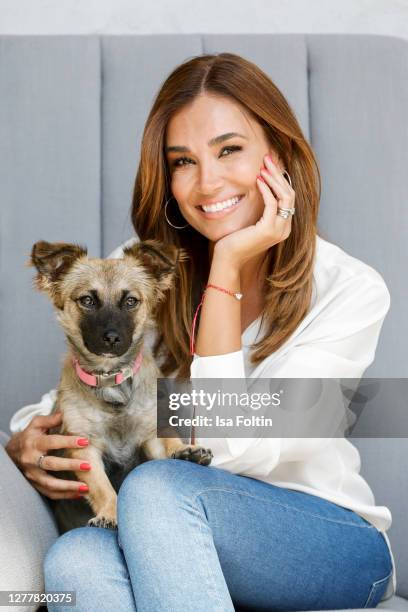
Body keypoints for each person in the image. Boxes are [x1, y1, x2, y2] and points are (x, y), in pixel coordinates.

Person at [5, 52, 396, 611]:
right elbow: (77, 400)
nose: (206, 182)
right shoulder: (141, 276)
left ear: (278, 155)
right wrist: (29, 442)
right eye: (183, 161)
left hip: (331, 542)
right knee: (76, 559)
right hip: (172, 531)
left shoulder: (351, 289)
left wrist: (227, 269)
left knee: (155, 489)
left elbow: (230, 444)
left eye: (229, 150)